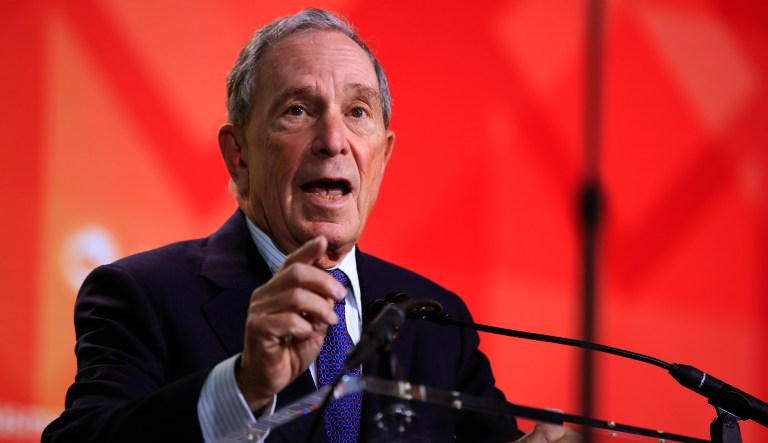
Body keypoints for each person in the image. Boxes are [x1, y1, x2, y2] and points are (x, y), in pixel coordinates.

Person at [43, 8, 578, 443]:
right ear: (239, 155)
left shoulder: (435, 321)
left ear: (382, 157)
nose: (333, 139)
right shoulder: (142, 296)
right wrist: (243, 385)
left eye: (358, 112)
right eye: (298, 110)